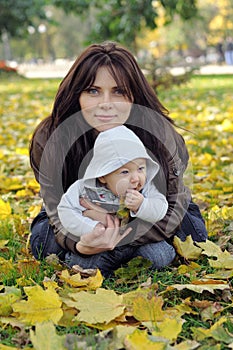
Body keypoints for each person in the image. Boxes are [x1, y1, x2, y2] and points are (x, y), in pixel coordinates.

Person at [29, 41, 208, 277]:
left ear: (133, 95)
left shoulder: (159, 134)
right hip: (80, 214)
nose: (105, 104)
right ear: (77, 95)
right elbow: (57, 212)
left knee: (193, 234)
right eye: (93, 91)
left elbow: (173, 207)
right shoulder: (51, 137)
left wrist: (121, 227)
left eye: (119, 91)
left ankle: (114, 255)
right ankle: (117, 254)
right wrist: (81, 242)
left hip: (151, 211)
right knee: (45, 243)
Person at [57, 125, 168, 238]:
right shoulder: (84, 189)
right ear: (103, 176)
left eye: (140, 169)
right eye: (125, 172)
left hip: (134, 241)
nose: (135, 179)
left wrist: (141, 205)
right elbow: (66, 210)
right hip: (97, 241)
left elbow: (161, 208)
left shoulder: (145, 188)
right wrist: (93, 228)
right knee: (79, 256)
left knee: (159, 253)